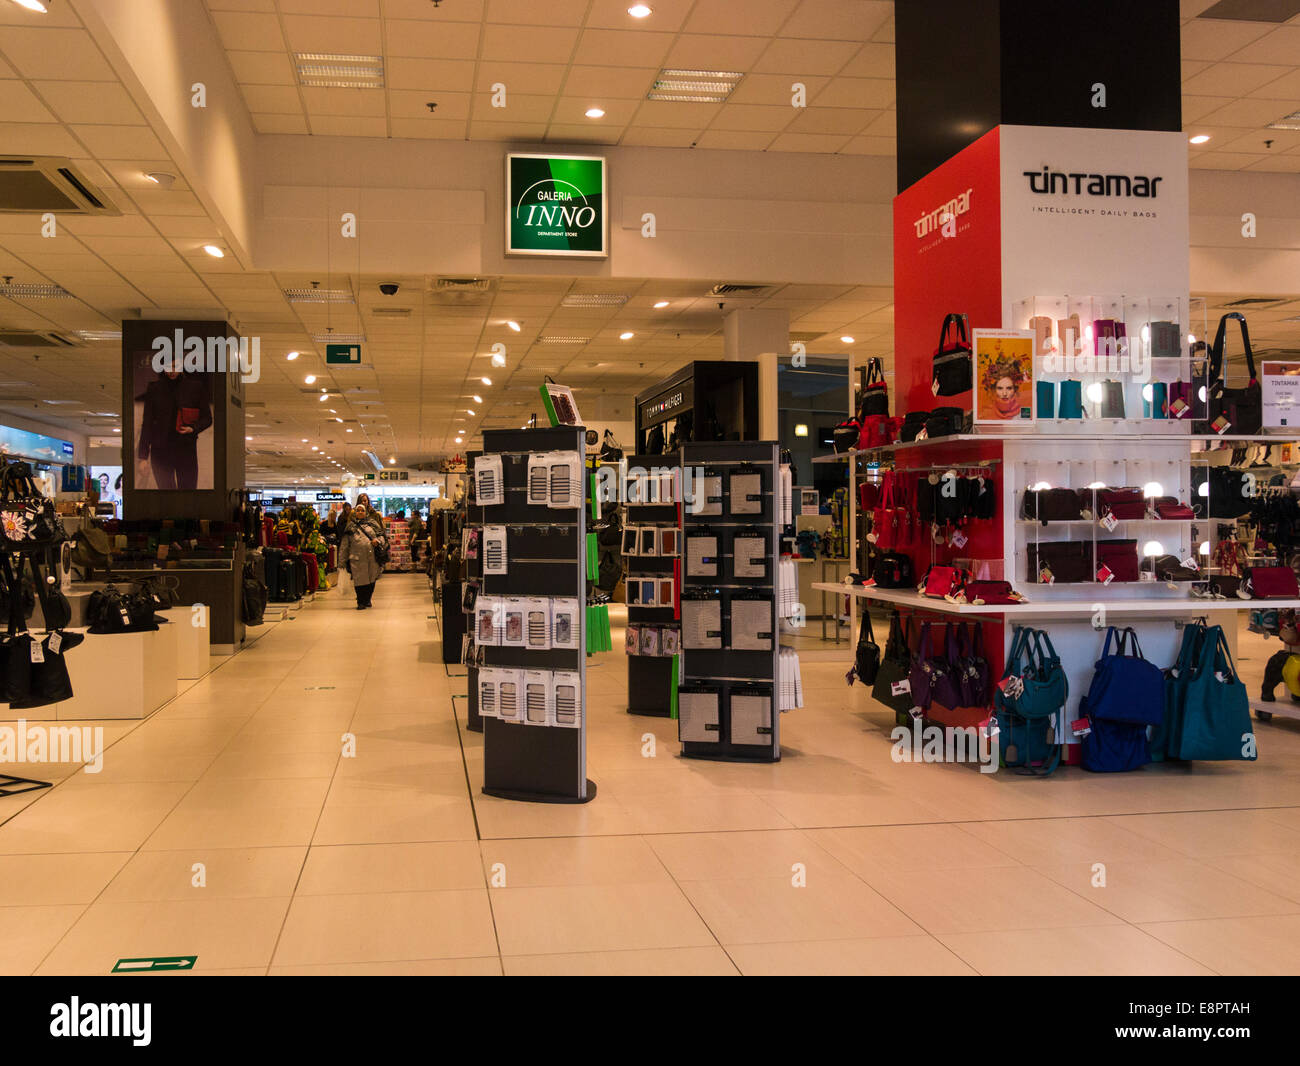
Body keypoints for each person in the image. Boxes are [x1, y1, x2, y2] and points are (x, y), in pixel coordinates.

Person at [135, 367, 213, 490]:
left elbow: (207, 418)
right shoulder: (155, 389)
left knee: (188, 493)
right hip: (160, 451)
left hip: (186, 449)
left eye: (174, 367)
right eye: (168, 367)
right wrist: (143, 457)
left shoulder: (195, 387)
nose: (171, 371)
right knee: (166, 495)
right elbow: (147, 423)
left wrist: (193, 428)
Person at [339, 503, 384, 609]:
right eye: (358, 510)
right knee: (359, 581)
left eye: (362, 511)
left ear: (366, 512)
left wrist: (377, 541)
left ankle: (367, 599)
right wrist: (342, 561)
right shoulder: (350, 526)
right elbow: (345, 545)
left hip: (372, 558)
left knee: (371, 579)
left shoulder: (372, 524)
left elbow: (382, 537)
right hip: (357, 558)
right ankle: (360, 602)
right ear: (355, 512)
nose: (360, 512)